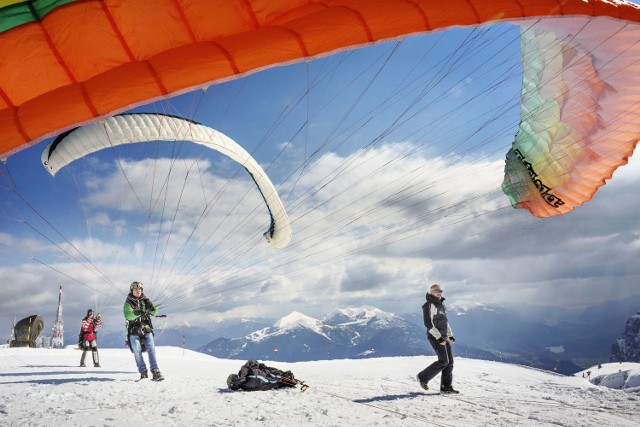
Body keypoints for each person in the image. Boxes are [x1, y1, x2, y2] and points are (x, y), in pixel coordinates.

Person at [416, 283, 459, 394]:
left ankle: (446, 387)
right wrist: (439, 338)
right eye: (437, 291)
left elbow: (445, 322)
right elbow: (428, 323)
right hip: (435, 336)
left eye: (441, 291)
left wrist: (450, 335)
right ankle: (422, 377)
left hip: (444, 336)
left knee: (449, 363)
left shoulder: (441, 305)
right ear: (431, 292)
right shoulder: (428, 305)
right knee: (443, 361)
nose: (439, 293)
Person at [123, 281, 164, 381]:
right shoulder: (128, 303)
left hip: (146, 328)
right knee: (137, 350)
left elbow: (154, 312)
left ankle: (155, 371)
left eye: (140, 289)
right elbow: (128, 315)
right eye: (136, 289)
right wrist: (137, 312)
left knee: (151, 348)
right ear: (132, 290)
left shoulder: (146, 301)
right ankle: (143, 372)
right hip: (133, 330)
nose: (138, 291)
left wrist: (153, 308)